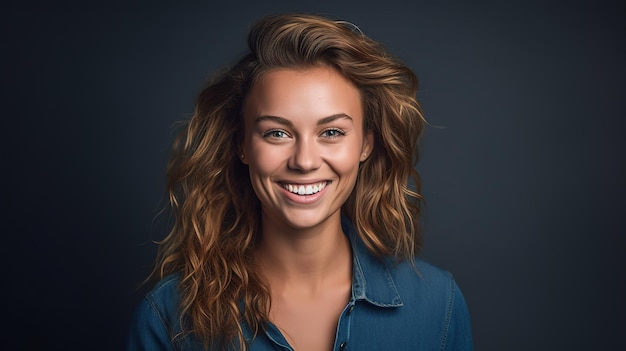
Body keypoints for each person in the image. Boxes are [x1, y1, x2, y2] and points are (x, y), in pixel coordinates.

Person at [127, 13, 473, 351]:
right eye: (277, 133)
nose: (305, 161)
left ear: (366, 143)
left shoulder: (437, 306)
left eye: (332, 132)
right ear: (242, 144)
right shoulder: (170, 318)